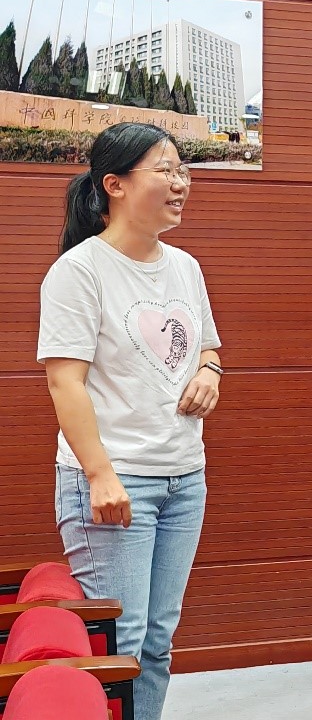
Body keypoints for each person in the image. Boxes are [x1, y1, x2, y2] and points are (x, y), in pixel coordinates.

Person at [38, 123, 222, 720]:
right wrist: (99, 475)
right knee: (122, 643)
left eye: (183, 171)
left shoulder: (186, 267)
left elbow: (208, 347)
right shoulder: (79, 271)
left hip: (184, 477)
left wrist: (210, 372)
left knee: (158, 641)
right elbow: (65, 383)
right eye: (165, 171)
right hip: (116, 482)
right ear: (114, 185)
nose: (181, 183)